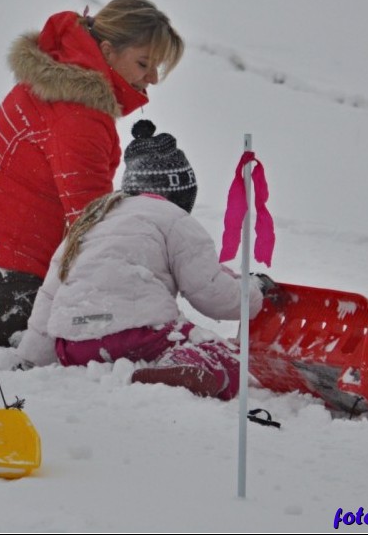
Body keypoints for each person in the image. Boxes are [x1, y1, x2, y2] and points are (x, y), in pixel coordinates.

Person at [0, 0, 185, 347]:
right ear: (107, 51)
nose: (152, 78)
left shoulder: (59, 82)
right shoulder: (78, 115)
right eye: (143, 64)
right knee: (127, 334)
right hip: (5, 289)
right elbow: (92, 227)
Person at [15, 120, 267, 401]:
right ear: (180, 192)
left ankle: (153, 369)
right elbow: (209, 291)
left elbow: (50, 293)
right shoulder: (174, 219)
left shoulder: (91, 219)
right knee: (226, 357)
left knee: (157, 340)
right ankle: (177, 367)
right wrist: (254, 295)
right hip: (137, 335)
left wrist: (32, 358)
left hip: (74, 345)